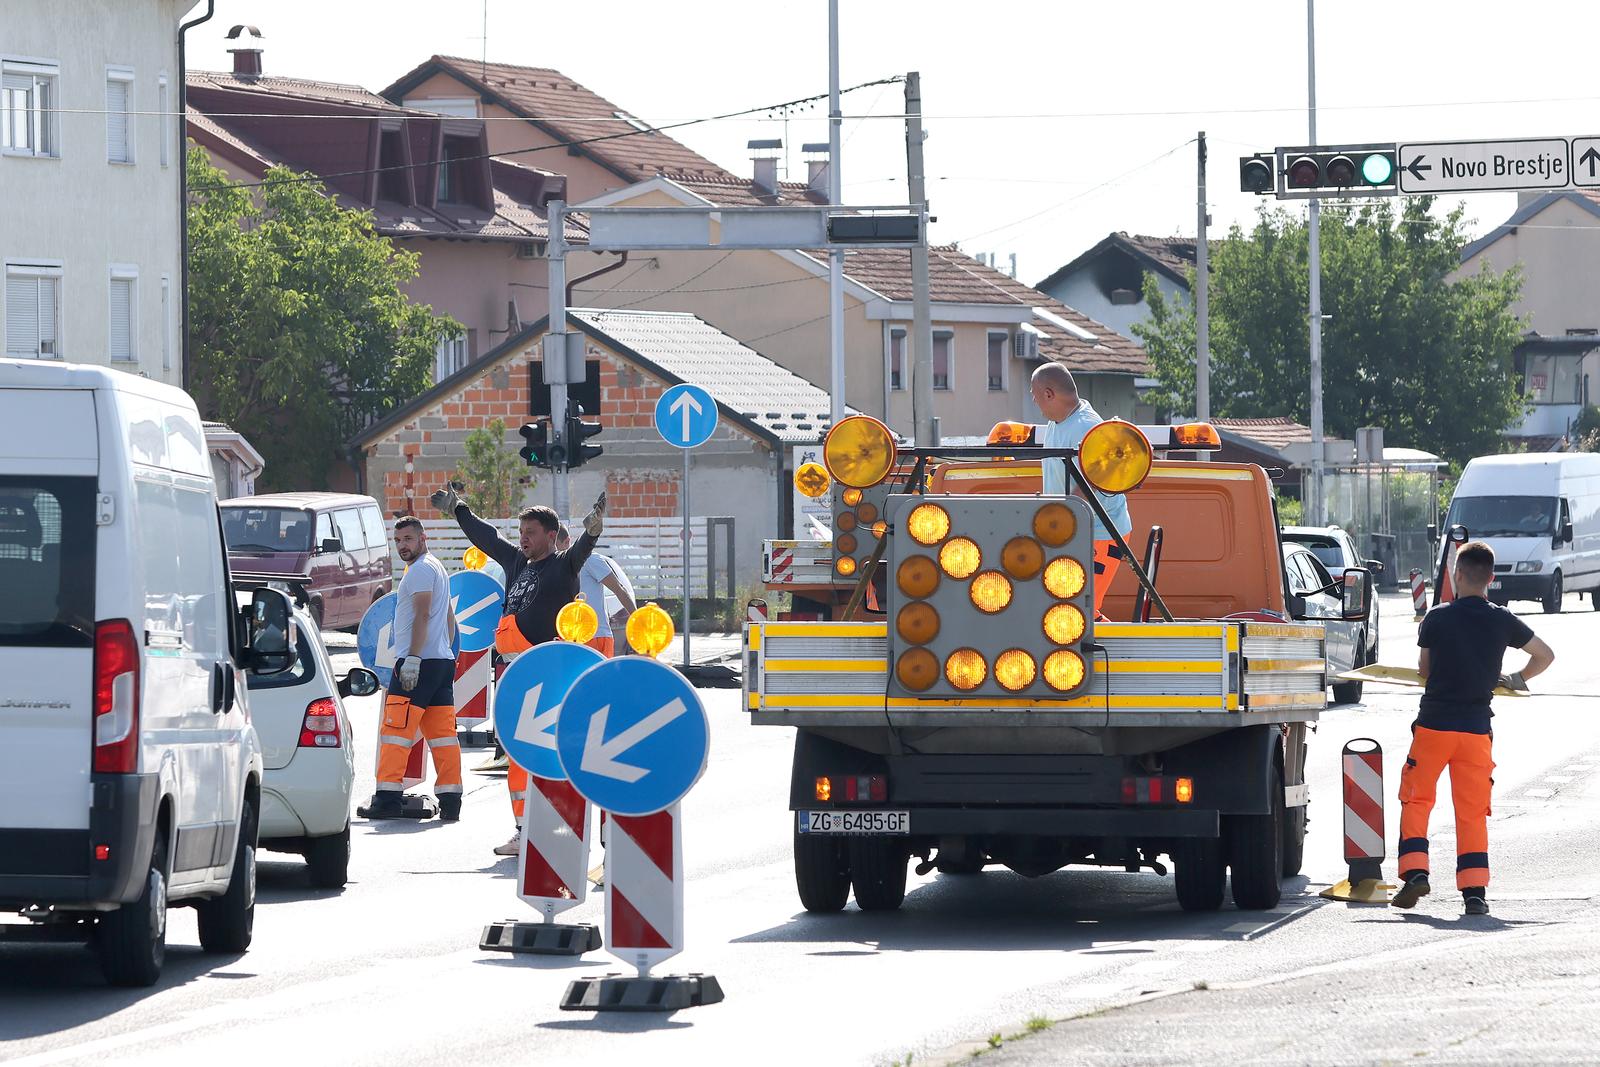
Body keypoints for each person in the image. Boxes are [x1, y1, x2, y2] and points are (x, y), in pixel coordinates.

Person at [432, 486, 606, 856]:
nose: (524, 538)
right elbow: (486, 537)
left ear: (551, 535)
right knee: (516, 753)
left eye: (531, 532)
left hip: (547, 673)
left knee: (549, 751)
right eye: (522, 532)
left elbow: (581, 552)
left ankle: (560, 827)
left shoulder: (563, 565)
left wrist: (592, 531)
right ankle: (523, 829)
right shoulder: (516, 563)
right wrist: (459, 508)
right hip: (512, 673)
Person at [1391, 541, 1555, 915]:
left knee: (1417, 799)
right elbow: (1545, 655)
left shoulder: (1437, 617)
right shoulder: (1502, 619)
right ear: (1491, 579)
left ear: (1457, 574)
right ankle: (1474, 892)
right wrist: (1515, 678)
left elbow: (1425, 670)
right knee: (1471, 812)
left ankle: (1416, 872)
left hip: (1434, 726)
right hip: (1477, 730)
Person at [369, 517, 463, 821]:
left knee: (396, 729)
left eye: (408, 539)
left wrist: (412, 658)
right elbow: (448, 614)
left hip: (418, 662)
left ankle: (387, 799)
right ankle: (451, 801)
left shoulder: (421, 569)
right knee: (443, 735)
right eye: (397, 541)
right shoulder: (435, 566)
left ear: (423, 538)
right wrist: (447, 651)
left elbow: (423, 614)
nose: (402, 546)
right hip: (439, 662)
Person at [1029, 362, 1134, 618]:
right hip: (1074, 531)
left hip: (1100, 533)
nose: (1034, 402)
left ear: (1049, 394)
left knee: (1080, 612)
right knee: (1069, 609)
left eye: (1035, 395)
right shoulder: (1059, 423)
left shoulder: (1087, 428)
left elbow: (1093, 483)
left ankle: (1119, 657)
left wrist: (1057, 519)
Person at [556, 524, 637, 657]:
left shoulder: (590, 559)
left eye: (555, 546)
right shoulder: (553, 566)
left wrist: (638, 622)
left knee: (600, 677)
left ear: (567, 541)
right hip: (569, 638)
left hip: (596, 637)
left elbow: (619, 590)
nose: (553, 552)